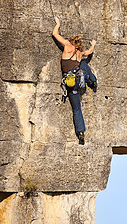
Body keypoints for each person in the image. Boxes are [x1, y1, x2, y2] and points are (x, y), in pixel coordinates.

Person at [52, 16, 98, 145]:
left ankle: (80, 133)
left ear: (71, 41)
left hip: (70, 83)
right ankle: (92, 81)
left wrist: (58, 24)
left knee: (76, 109)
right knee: (83, 65)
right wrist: (93, 45)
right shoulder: (80, 53)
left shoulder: (67, 46)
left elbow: (55, 34)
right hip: (79, 80)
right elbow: (88, 52)